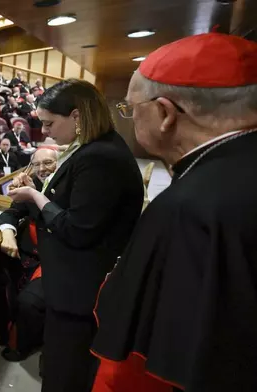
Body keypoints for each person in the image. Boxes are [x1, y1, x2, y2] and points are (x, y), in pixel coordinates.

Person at [91, 33, 257, 392]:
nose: (130, 118)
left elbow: (140, 367)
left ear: (165, 113)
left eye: (131, 108)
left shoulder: (187, 210)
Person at [6, 79, 143, 392]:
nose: (46, 132)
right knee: (62, 363)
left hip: (80, 287)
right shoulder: (93, 148)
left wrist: (34, 196)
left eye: (50, 123)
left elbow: (76, 229)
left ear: (78, 117)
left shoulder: (100, 157)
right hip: (71, 279)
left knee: (65, 372)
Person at [0, 147, 59, 362]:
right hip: (27, 254)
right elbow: (11, 212)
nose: (43, 169)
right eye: (38, 164)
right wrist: (7, 233)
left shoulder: (64, 188)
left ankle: (23, 344)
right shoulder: (33, 187)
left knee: (29, 302)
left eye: (49, 163)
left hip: (54, 258)